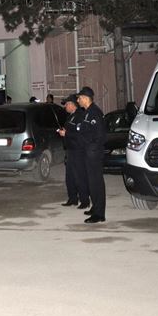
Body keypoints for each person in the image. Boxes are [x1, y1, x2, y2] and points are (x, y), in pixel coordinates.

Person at [75, 87, 107, 223]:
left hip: (93, 152)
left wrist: (92, 148)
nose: (78, 100)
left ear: (86, 98)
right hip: (88, 151)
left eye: (79, 98)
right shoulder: (87, 112)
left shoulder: (95, 113)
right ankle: (95, 207)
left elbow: (100, 135)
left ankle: (99, 214)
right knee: (91, 182)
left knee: (96, 183)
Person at [57, 94, 90, 209]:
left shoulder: (80, 116)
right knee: (70, 177)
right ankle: (73, 199)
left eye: (67, 104)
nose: (65, 106)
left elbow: (80, 134)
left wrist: (66, 133)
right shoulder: (71, 116)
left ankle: (84, 200)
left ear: (73, 105)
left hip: (78, 150)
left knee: (80, 176)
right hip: (70, 150)